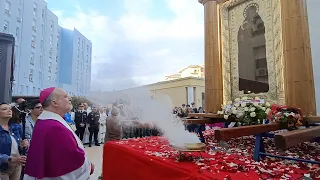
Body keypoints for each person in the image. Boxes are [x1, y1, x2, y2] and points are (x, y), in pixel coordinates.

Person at [23, 87, 94, 179]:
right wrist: (87, 167)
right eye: (65, 96)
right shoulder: (54, 127)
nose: (70, 99)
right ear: (54, 103)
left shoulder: (47, 121)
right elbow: (69, 159)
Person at [0, 102, 28, 180]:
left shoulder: (15, 127)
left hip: (16, 165)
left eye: (10, 109)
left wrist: (24, 145)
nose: (9, 111)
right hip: (2, 168)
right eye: (4, 109)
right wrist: (9, 158)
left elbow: (19, 147)